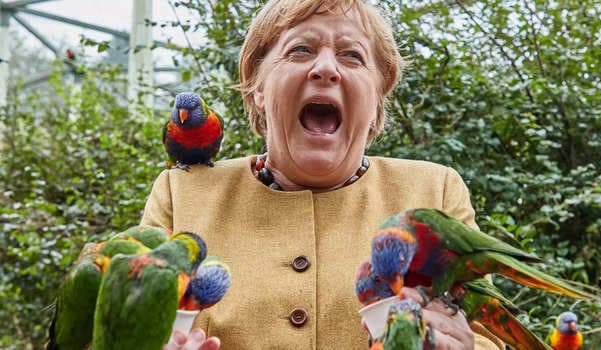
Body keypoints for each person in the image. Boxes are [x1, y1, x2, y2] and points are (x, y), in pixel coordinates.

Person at [146, 0, 504, 349]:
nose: (326, 68)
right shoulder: (182, 193)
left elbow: (491, 336)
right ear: (259, 88)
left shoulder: (434, 192)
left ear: (377, 97)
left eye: (352, 55)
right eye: (301, 49)